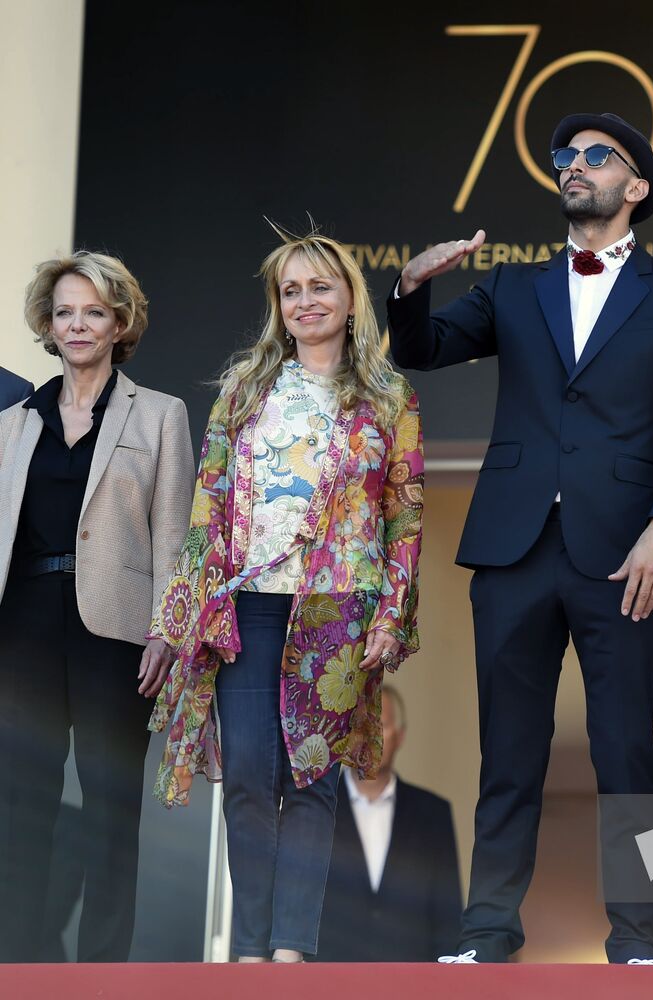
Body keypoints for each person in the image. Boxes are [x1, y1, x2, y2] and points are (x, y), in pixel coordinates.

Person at [389, 111, 653, 964]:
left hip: (622, 552)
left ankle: (638, 942)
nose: (573, 166)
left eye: (595, 157)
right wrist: (412, 285)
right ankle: (486, 933)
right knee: (508, 752)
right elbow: (420, 349)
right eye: (563, 156)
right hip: (511, 546)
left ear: (636, 186)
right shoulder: (512, 285)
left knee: (624, 755)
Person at [148, 229, 425, 963]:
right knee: (246, 773)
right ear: (279, 305)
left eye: (320, 287)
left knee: (311, 776)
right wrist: (187, 608)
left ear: (348, 299)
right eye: (291, 290)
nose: (306, 301)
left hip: (338, 606)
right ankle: (247, 950)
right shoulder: (244, 390)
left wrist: (393, 613)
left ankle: (291, 950)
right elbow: (207, 502)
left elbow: (405, 512)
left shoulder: (387, 396)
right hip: (246, 605)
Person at [0, 251, 194, 962]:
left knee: (111, 810)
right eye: (64, 313)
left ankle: (103, 972)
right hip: (20, 628)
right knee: (22, 809)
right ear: (47, 328)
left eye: (93, 311)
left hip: (117, 633)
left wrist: (168, 633)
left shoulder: (162, 415)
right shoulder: (12, 420)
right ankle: (17, 964)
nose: (77, 324)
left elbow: (176, 534)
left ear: (120, 323)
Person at [317, 685, 462, 962]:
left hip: (413, 985)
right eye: (361, 724)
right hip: (330, 982)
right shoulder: (318, 810)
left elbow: (448, 917)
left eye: (380, 725)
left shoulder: (434, 814)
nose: (370, 736)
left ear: (400, 736)